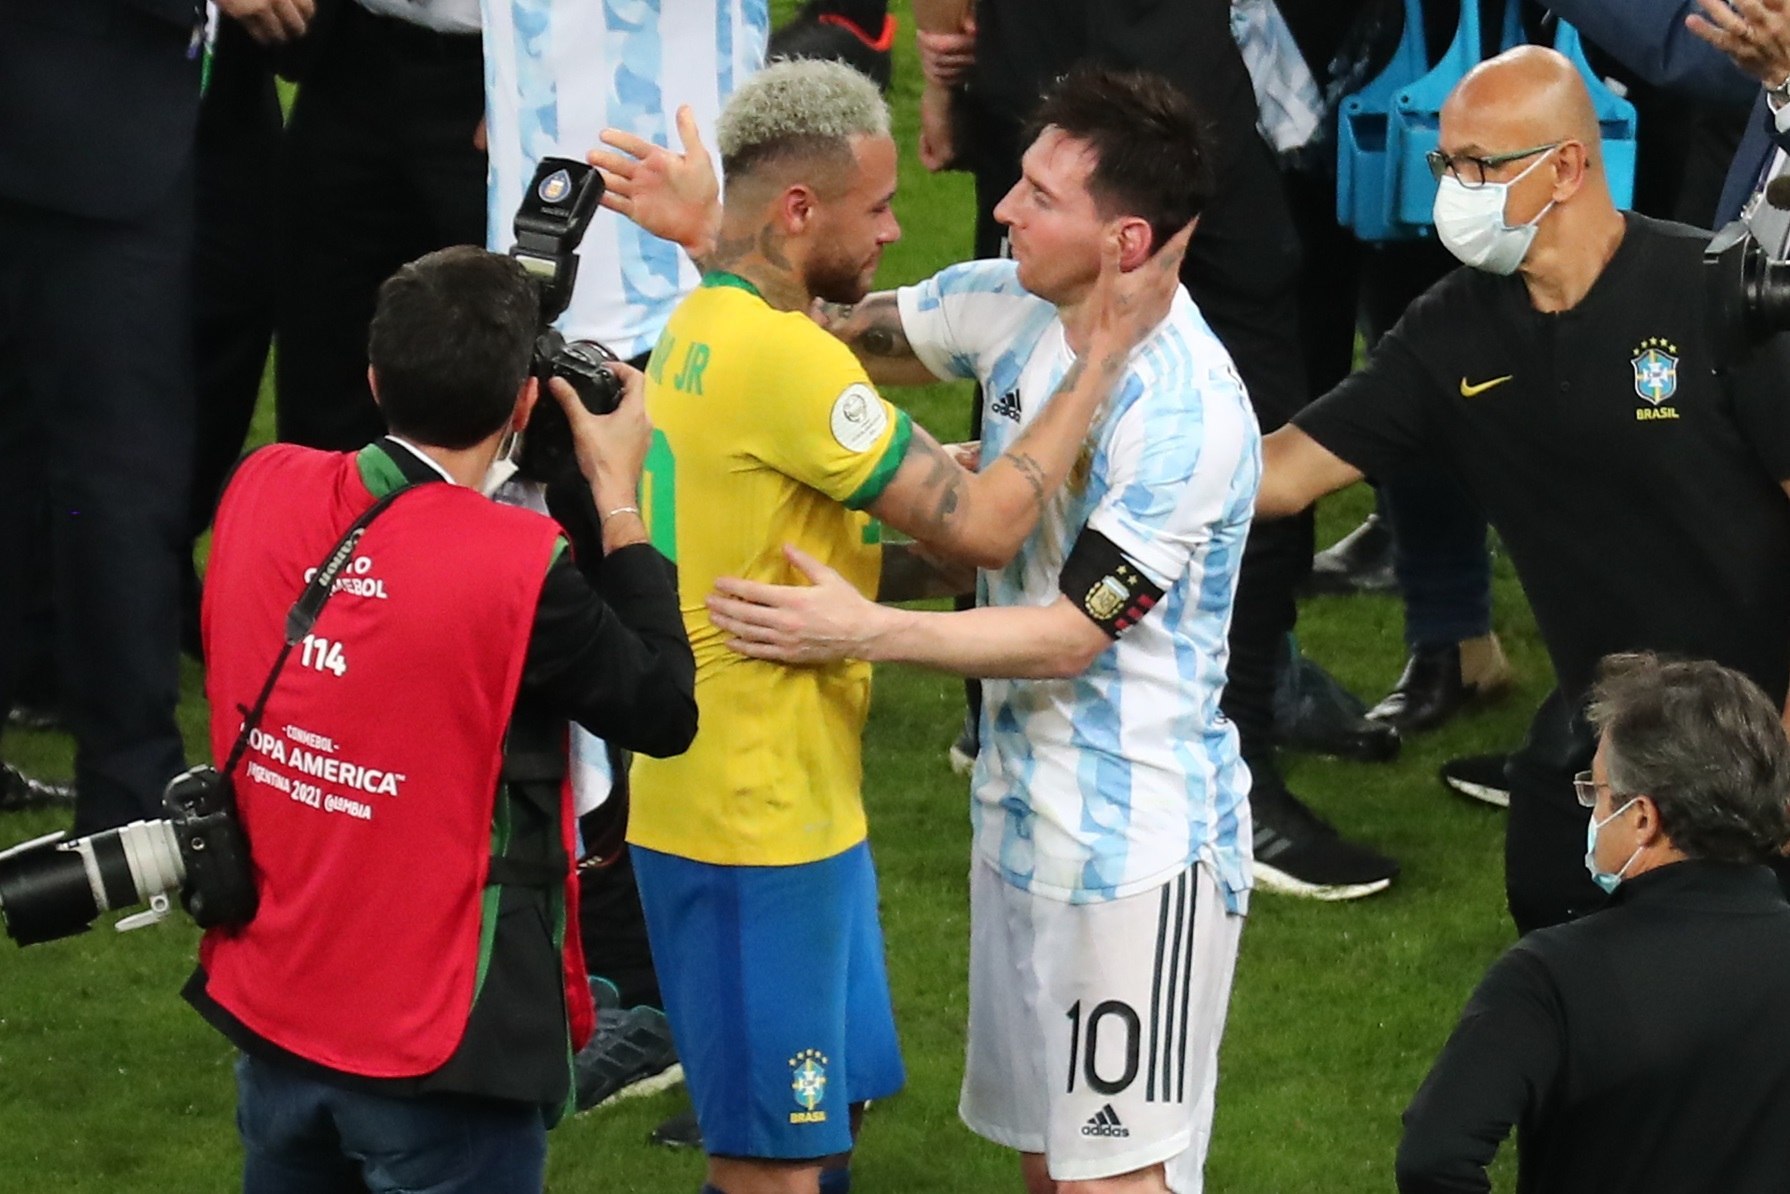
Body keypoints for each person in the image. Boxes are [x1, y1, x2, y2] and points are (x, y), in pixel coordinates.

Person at [589, 58, 1190, 1194]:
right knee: (770, 1165)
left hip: (793, 805)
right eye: (873, 207)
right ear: (801, 211)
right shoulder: (788, 364)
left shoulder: (713, 322)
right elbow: (986, 529)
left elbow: (863, 548)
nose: (895, 228)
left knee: (830, 1113)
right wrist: (1100, 356)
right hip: (742, 825)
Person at [184, 245, 697, 1192]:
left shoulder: (262, 483)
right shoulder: (515, 565)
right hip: (438, 1040)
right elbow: (662, 708)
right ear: (525, 406)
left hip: (275, 1001)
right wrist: (616, 497)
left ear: (375, 379)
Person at [1256, 44, 1790, 934]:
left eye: (1477, 166)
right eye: (1445, 162)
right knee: (1556, 937)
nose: (1451, 191)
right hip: (1610, 738)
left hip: (1757, 730)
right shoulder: (1448, 335)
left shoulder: (1715, 296)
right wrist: (1083, 429)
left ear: (1568, 168)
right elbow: (1278, 477)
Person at [912, 0, 1400, 902]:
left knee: (1028, 339)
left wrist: (948, 77)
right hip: (1157, 115)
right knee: (1230, 403)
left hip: (1049, 83)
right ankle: (1236, 748)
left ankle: (998, 711)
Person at [477, 0, 772, 1118]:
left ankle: (669, 998)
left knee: (681, 645)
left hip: (676, 290)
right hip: (545, 270)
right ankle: (618, 979)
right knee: (573, 650)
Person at [0, 0, 309, 830]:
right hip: (72, 114)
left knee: (78, 450)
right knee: (114, 459)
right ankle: (132, 788)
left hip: (168, 108)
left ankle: (122, 764)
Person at [1397, 652, 1790, 1193]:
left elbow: (1434, 1157)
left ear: (1643, 818)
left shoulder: (1550, 977)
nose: (1593, 813)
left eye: (1599, 792)